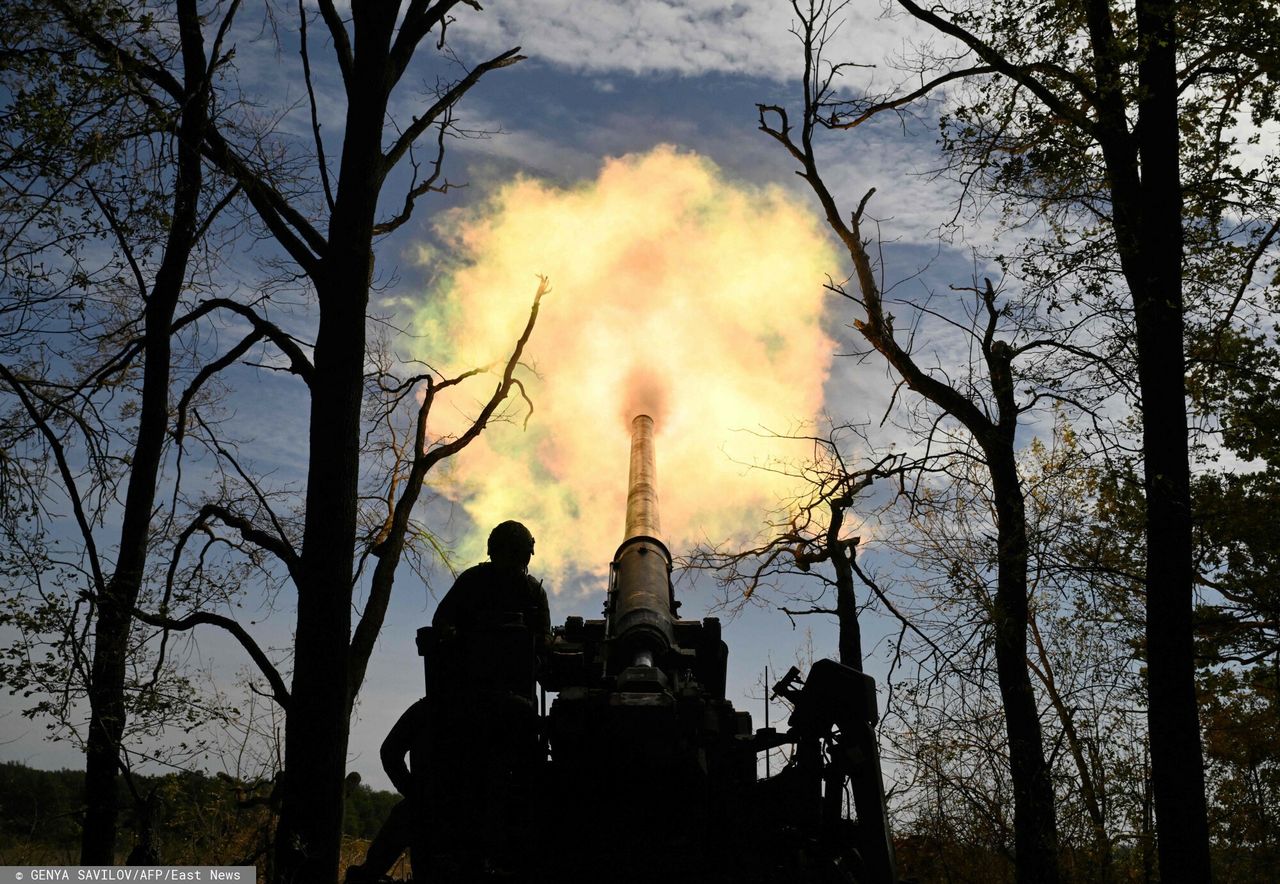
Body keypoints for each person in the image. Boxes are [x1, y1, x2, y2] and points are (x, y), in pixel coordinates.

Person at [343, 700, 427, 884]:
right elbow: (390, 752)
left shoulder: (426, 708)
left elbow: (390, 751)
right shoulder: (490, 706)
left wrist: (416, 796)